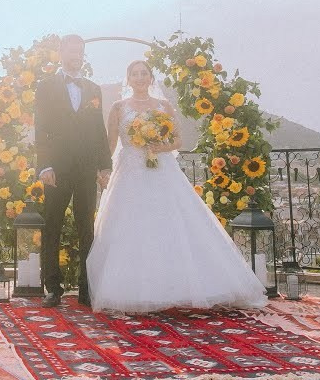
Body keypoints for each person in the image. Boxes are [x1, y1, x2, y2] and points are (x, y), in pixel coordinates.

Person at [85, 58, 268, 314]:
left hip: (161, 169)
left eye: (144, 73)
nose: (140, 77)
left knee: (171, 222)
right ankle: (132, 290)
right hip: (129, 171)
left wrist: (161, 147)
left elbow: (178, 140)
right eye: (135, 74)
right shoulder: (118, 107)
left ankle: (181, 288)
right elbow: (110, 143)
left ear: (151, 78)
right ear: (128, 79)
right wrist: (103, 169)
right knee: (130, 224)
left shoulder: (164, 105)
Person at [34, 33, 112, 308]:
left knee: (86, 228)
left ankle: (86, 289)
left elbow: (99, 130)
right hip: (56, 169)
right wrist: (45, 166)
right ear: (61, 53)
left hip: (86, 168)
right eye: (71, 51)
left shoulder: (93, 89)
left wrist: (104, 166)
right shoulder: (45, 86)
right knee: (52, 225)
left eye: (80, 51)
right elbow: (41, 127)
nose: (76, 55)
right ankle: (52, 288)